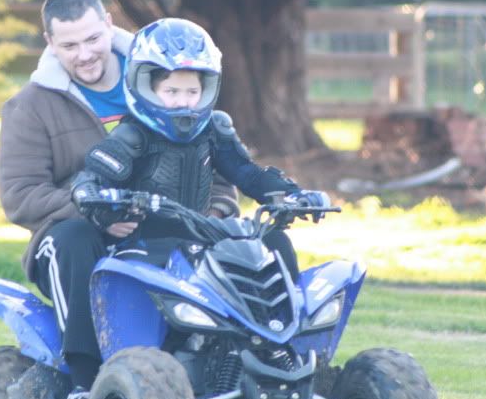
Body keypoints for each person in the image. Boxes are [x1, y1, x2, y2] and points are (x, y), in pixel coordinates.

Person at [0, 0, 238, 399]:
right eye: (69, 45)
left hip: (172, 228)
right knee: (74, 239)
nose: (85, 54)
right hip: (75, 239)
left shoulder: (165, 78)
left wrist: (215, 215)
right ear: (49, 42)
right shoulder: (30, 107)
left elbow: (216, 165)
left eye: (93, 39)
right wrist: (99, 212)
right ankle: (83, 387)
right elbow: (20, 196)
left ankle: (266, 374)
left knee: (252, 246)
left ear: (109, 24)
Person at [71, 16, 330, 307]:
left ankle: (281, 326)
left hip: (202, 238)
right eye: (172, 92)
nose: (183, 101)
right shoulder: (132, 135)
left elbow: (248, 174)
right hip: (143, 244)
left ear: (206, 89)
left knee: (274, 242)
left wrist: (294, 195)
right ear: (145, 87)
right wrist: (95, 198)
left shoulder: (213, 131)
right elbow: (92, 178)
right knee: (137, 280)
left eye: (192, 92)